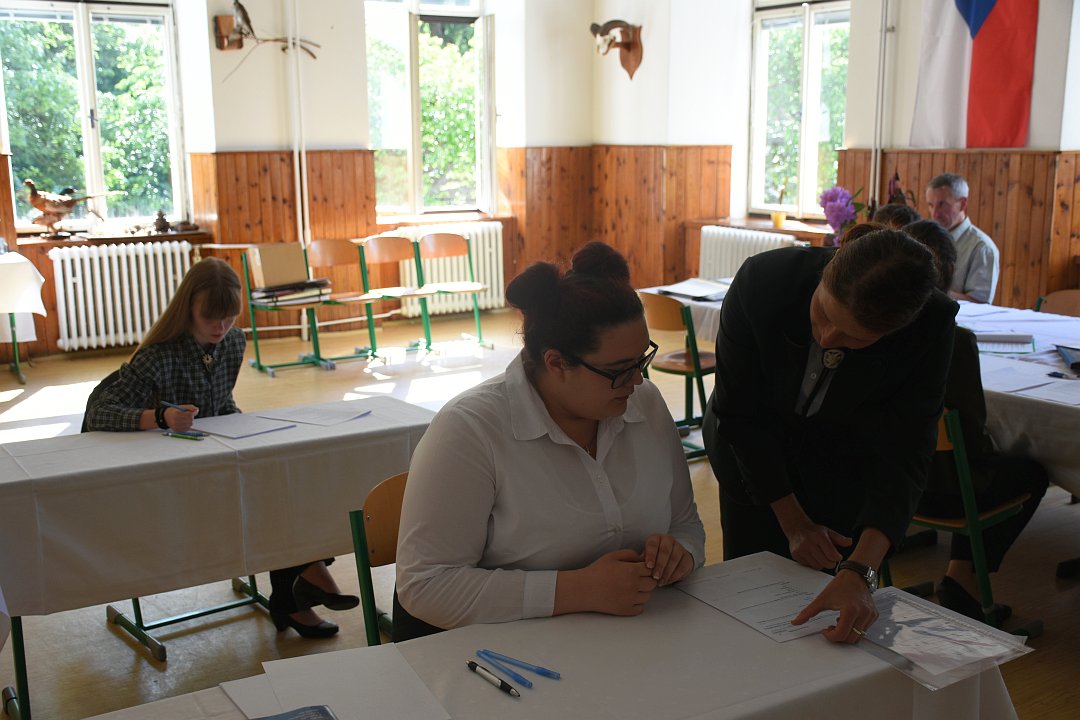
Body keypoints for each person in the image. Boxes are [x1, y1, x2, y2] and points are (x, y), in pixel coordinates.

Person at [395, 241, 705, 640]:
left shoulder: (643, 402)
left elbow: (685, 524)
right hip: (502, 653)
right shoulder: (471, 429)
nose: (638, 380)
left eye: (641, 359)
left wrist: (682, 555)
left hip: (627, 640)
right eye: (618, 370)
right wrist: (578, 590)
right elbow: (426, 585)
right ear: (556, 362)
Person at [702, 227, 957, 644]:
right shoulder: (763, 282)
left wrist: (860, 569)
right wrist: (795, 524)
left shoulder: (930, 325)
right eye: (823, 313)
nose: (827, 338)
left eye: (855, 338)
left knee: (829, 613)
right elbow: (740, 415)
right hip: (750, 457)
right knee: (750, 604)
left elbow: (906, 452)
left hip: (843, 463)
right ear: (828, 270)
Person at [84, 257, 357, 639]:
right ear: (188, 308)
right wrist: (159, 417)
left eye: (229, 317)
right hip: (169, 472)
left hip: (214, 459)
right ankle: (304, 581)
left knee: (283, 478)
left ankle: (300, 587)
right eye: (211, 317)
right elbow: (99, 413)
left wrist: (250, 429)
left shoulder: (233, 342)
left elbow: (220, 403)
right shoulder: (158, 355)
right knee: (269, 497)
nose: (221, 327)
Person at [903, 220, 1048, 622]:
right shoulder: (954, 340)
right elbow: (969, 433)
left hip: (895, 486)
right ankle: (961, 576)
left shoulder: (881, 328)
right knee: (1032, 472)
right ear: (948, 274)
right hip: (943, 491)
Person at [925, 173, 1000, 303]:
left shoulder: (982, 248)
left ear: (963, 204)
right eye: (930, 205)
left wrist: (927, 290)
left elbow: (979, 303)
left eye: (942, 204)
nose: (935, 213)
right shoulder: (926, 237)